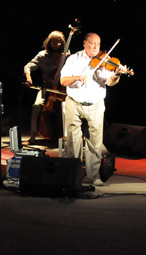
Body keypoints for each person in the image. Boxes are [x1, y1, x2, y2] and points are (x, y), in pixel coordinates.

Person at [60, 32, 127, 186]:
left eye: (98, 44)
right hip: (74, 103)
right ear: (85, 43)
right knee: (73, 141)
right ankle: (73, 174)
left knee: (95, 141)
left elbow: (110, 82)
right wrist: (76, 77)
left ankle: (93, 175)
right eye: (92, 43)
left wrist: (116, 74)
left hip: (95, 104)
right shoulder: (73, 59)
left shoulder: (104, 60)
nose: (96, 47)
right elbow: (63, 80)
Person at [23, 30, 67, 143]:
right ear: (49, 42)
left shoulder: (66, 55)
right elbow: (28, 66)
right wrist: (29, 78)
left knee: (68, 108)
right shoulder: (42, 55)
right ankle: (32, 136)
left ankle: (67, 136)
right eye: (53, 42)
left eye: (58, 43)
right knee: (37, 105)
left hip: (63, 89)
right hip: (46, 88)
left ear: (62, 43)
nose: (55, 45)